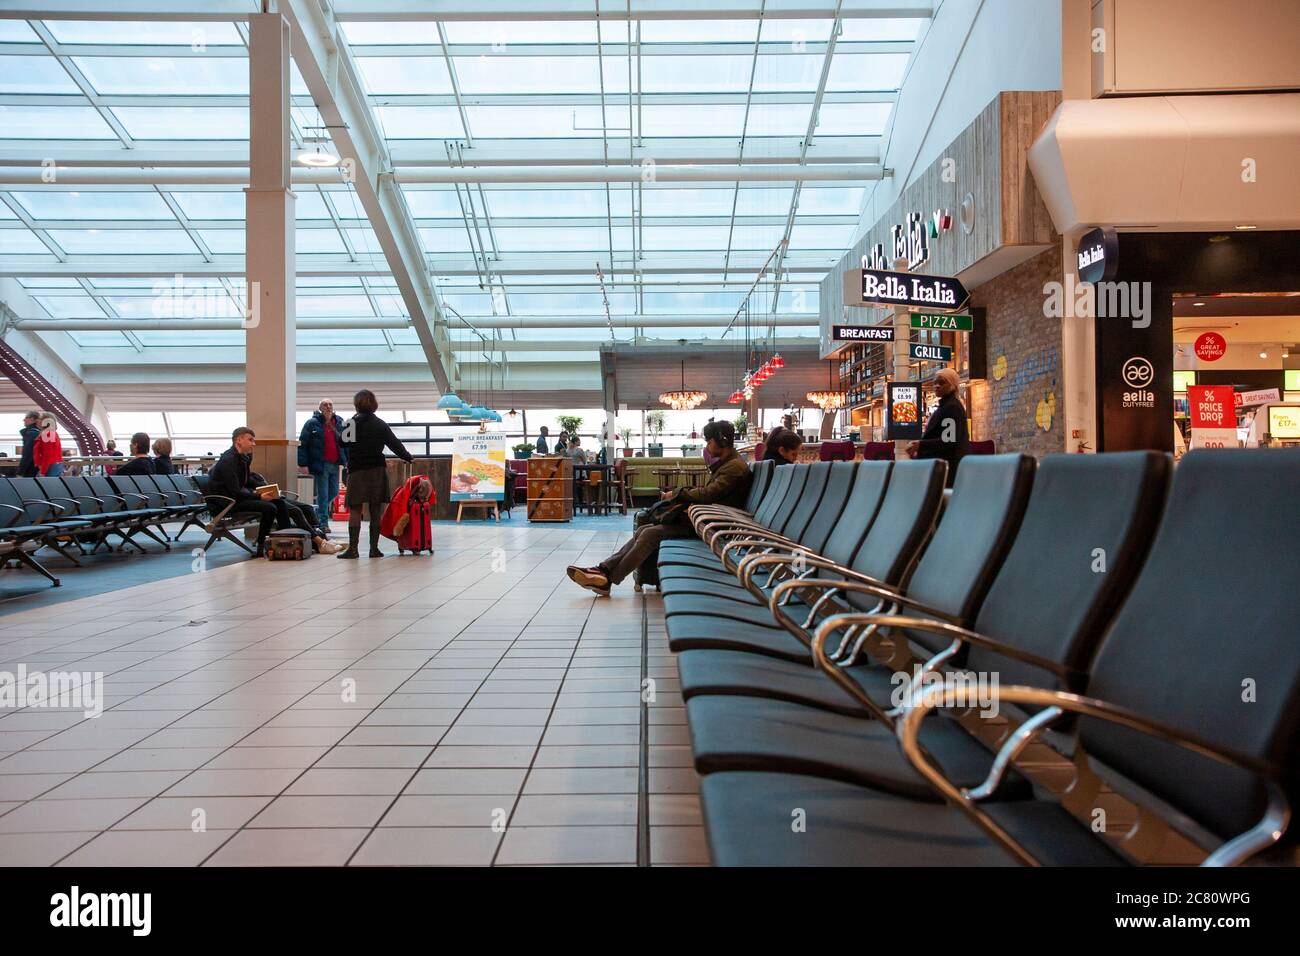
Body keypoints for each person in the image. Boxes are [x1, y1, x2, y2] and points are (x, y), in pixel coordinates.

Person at [566, 420, 750, 597]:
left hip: (714, 525)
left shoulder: (734, 467)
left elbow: (709, 494)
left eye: (709, 442)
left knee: (649, 534)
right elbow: (711, 493)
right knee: (644, 529)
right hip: (705, 519)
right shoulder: (728, 465)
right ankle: (604, 569)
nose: (707, 448)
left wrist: (676, 494)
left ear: (722, 441)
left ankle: (608, 579)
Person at [207, 427, 337, 557]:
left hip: (237, 497)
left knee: (278, 503)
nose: (254, 443)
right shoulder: (228, 461)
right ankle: (263, 543)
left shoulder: (243, 458)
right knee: (269, 507)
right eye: (250, 440)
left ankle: (287, 538)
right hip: (228, 502)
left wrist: (267, 489)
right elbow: (234, 490)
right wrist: (259, 496)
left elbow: (246, 481)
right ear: (238, 440)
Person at [337, 389, 413, 560]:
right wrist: (407, 457)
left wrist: (348, 425)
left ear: (357, 405)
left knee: (355, 509)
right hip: (377, 471)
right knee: (375, 509)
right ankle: (374, 549)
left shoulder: (352, 423)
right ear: (374, 405)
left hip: (356, 470)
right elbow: (395, 444)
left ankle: (353, 549)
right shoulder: (380, 424)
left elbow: (341, 442)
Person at [907, 367, 969, 487]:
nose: (937, 386)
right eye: (935, 383)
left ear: (952, 385)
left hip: (948, 471)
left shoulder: (951, 407)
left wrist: (921, 445)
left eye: (942, 382)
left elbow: (949, 440)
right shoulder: (947, 406)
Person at [298, 398, 348, 529]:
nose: (328, 407)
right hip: (321, 464)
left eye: (330, 404)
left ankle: (315, 512)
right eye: (325, 405)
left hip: (336, 463)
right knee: (323, 494)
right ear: (320, 408)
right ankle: (323, 523)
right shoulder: (312, 423)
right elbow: (303, 443)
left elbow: (347, 443)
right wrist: (302, 463)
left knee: (334, 492)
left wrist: (348, 460)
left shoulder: (340, 422)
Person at [17, 410, 40, 478]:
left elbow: (27, 454)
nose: (23, 419)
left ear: (32, 419)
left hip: (30, 469)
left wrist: (20, 472)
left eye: (26, 417)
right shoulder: (38, 432)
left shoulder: (31, 433)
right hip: (36, 467)